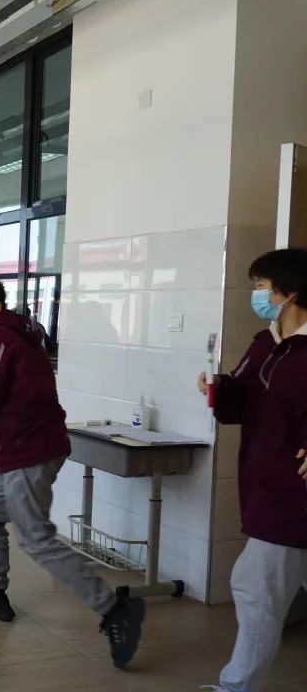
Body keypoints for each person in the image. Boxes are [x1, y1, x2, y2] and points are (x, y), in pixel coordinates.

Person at [0, 276, 144, 669]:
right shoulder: (24, 333)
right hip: (24, 446)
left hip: (27, 450)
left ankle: (114, 608)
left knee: (36, 538)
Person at [200, 248, 307, 692]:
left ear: (290, 292)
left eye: (261, 286)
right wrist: (217, 388)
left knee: (254, 586)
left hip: (293, 491)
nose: (256, 294)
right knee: (262, 585)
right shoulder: (266, 342)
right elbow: (241, 400)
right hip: (264, 479)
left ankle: (236, 687)